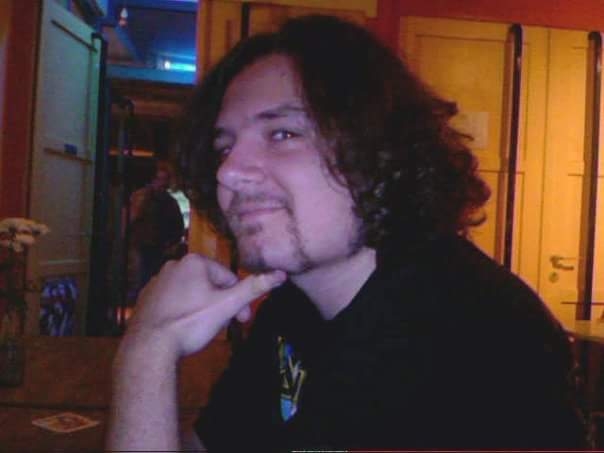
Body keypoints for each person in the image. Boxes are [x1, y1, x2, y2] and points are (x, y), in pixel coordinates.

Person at [107, 15, 588, 451]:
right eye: (224, 147)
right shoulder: (294, 304)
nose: (229, 171)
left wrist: (146, 351)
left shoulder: (473, 342)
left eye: (283, 134)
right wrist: (152, 347)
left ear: (376, 151)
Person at [128, 164, 186, 294]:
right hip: (142, 245)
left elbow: (178, 225)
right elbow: (131, 219)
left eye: (165, 180)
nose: (162, 183)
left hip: (160, 248)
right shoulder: (141, 198)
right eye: (160, 179)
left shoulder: (169, 202)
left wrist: (172, 244)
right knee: (142, 279)